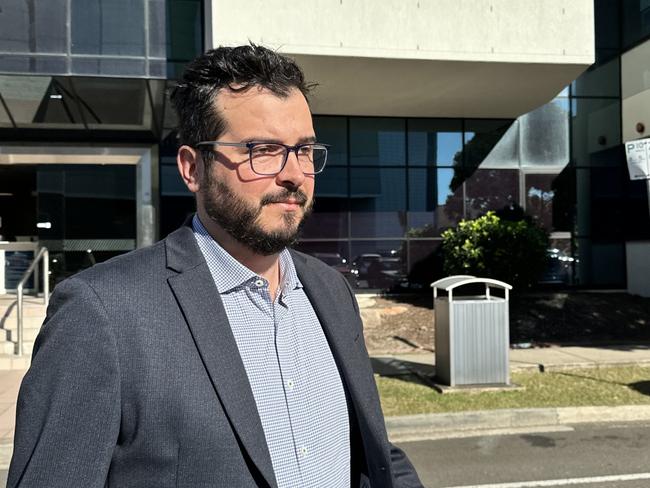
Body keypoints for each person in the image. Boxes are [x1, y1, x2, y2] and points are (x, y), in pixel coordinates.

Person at [8, 44, 423, 488]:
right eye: (263, 150)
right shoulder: (102, 313)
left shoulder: (330, 292)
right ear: (192, 169)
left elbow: (374, 453)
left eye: (304, 150)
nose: (294, 174)